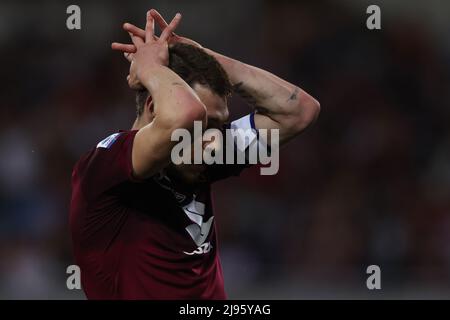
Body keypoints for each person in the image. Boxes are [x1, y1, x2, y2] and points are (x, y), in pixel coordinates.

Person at [69, 9, 320, 299]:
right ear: (153, 107)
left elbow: (298, 111)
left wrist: (202, 57)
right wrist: (151, 69)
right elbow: (184, 115)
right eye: (203, 125)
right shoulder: (105, 167)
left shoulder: (200, 154)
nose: (214, 141)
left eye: (218, 125)